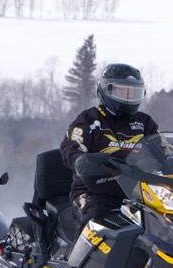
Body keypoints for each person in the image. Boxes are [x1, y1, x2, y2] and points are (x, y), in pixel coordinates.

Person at [60, 63, 159, 230]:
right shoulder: (89, 120)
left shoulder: (145, 123)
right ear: (105, 90)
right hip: (94, 190)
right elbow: (71, 145)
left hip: (139, 191)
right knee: (95, 219)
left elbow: (162, 149)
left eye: (133, 93)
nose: (128, 97)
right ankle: (77, 256)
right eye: (122, 91)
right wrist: (80, 160)